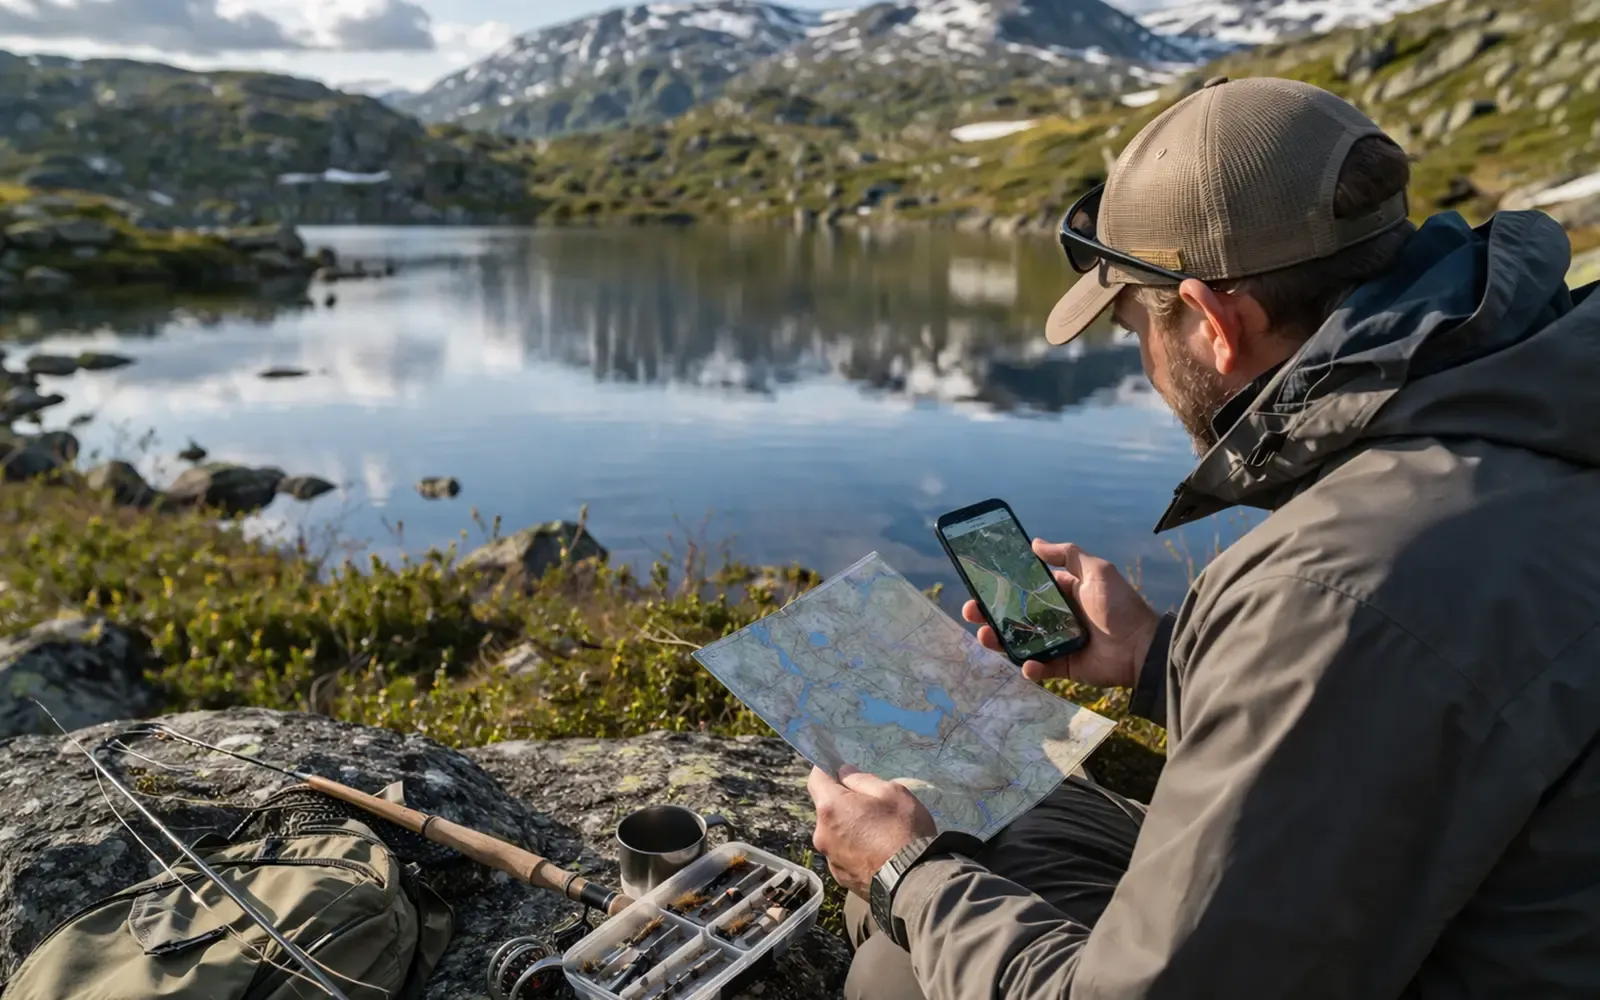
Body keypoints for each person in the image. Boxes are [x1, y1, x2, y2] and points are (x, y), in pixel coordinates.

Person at [806, 75, 1600, 999]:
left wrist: (907, 874)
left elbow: (1370, 643)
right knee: (1015, 825)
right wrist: (1158, 651)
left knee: (894, 964)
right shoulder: (1537, 409)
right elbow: (1437, 684)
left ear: (1219, 323)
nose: (1143, 356)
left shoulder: (1331, 582)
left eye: (1139, 322)